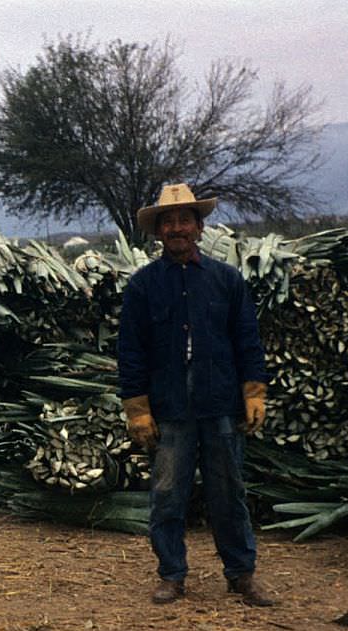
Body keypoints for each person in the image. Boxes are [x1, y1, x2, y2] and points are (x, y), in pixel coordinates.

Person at [117, 183, 273, 606]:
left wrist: (254, 392)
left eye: (185, 220)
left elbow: (247, 342)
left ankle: (242, 575)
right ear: (158, 232)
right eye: (168, 222)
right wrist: (137, 409)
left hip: (220, 405)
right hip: (170, 410)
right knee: (167, 495)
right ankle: (172, 575)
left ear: (200, 228)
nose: (177, 228)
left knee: (228, 494)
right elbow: (130, 352)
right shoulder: (143, 287)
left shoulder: (226, 281)